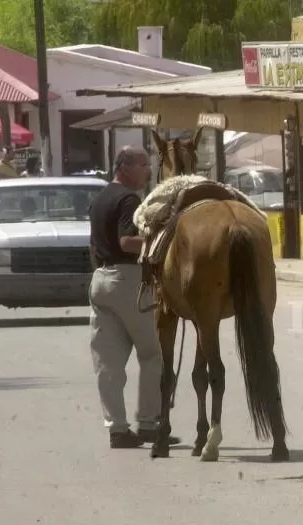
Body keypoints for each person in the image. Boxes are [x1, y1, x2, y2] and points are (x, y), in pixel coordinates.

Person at [88, 146, 178, 449]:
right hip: (127, 280)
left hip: (101, 279)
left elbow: (95, 243)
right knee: (152, 354)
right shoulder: (129, 199)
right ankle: (149, 424)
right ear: (124, 167)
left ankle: (117, 429)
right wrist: (162, 240)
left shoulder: (101, 197)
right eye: (143, 164)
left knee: (108, 363)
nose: (148, 171)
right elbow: (127, 241)